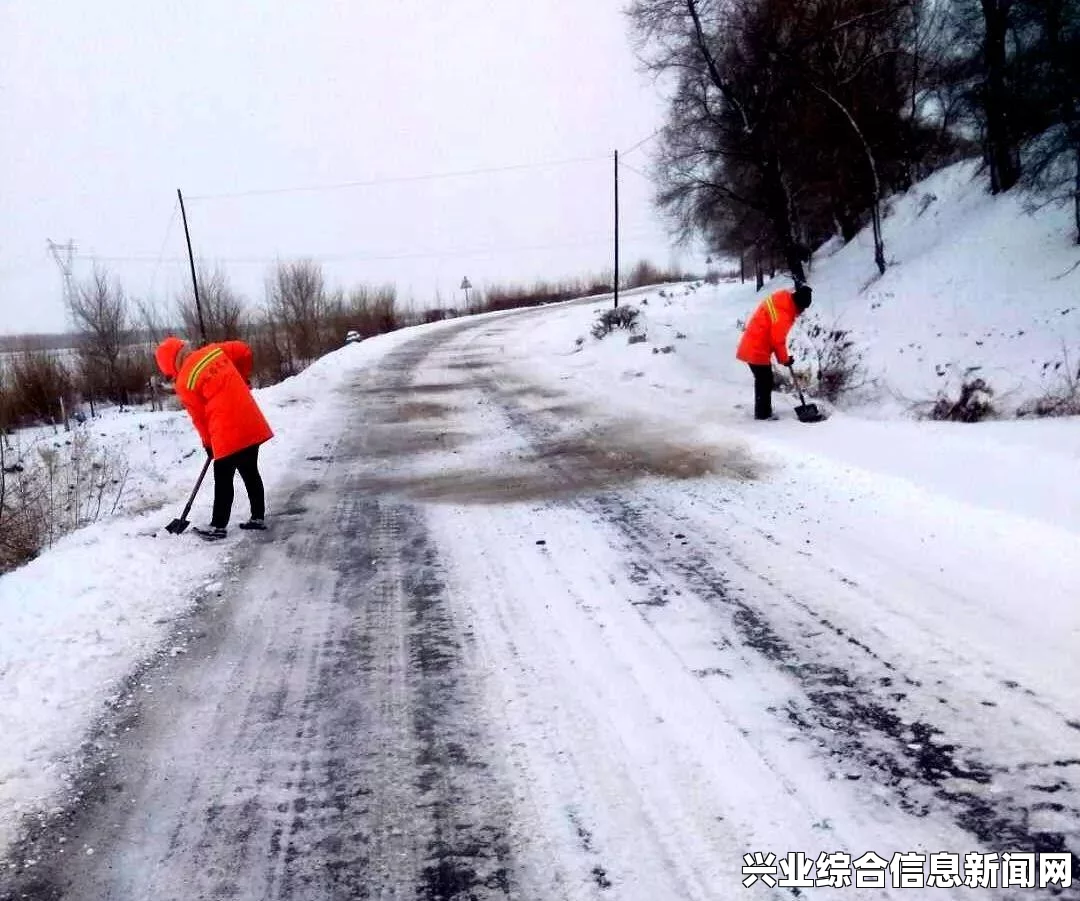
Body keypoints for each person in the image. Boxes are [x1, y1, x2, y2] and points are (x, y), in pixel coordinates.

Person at [155, 336, 274, 541]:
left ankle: (218, 526)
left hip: (226, 430)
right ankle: (257, 517)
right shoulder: (214, 351)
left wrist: (208, 444)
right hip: (249, 419)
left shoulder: (184, 382)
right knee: (250, 470)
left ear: (169, 365)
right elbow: (244, 350)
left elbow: (200, 418)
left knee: (223, 476)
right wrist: (242, 378)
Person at [735, 283, 812, 420]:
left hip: (754, 343)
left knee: (764, 380)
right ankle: (763, 415)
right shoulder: (783, 314)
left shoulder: (782, 299)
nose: (802, 312)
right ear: (799, 305)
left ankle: (763, 412)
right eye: (803, 308)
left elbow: (775, 337)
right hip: (757, 348)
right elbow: (777, 340)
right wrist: (785, 359)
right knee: (764, 380)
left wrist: (784, 359)